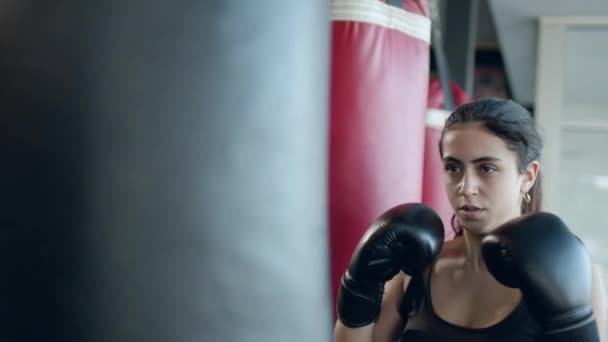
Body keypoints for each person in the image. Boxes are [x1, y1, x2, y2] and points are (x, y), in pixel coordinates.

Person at [333, 98, 607, 341]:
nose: (466, 186)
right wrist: (359, 286)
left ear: (528, 176)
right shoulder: (416, 269)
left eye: (487, 168)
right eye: (453, 168)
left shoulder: (576, 274)